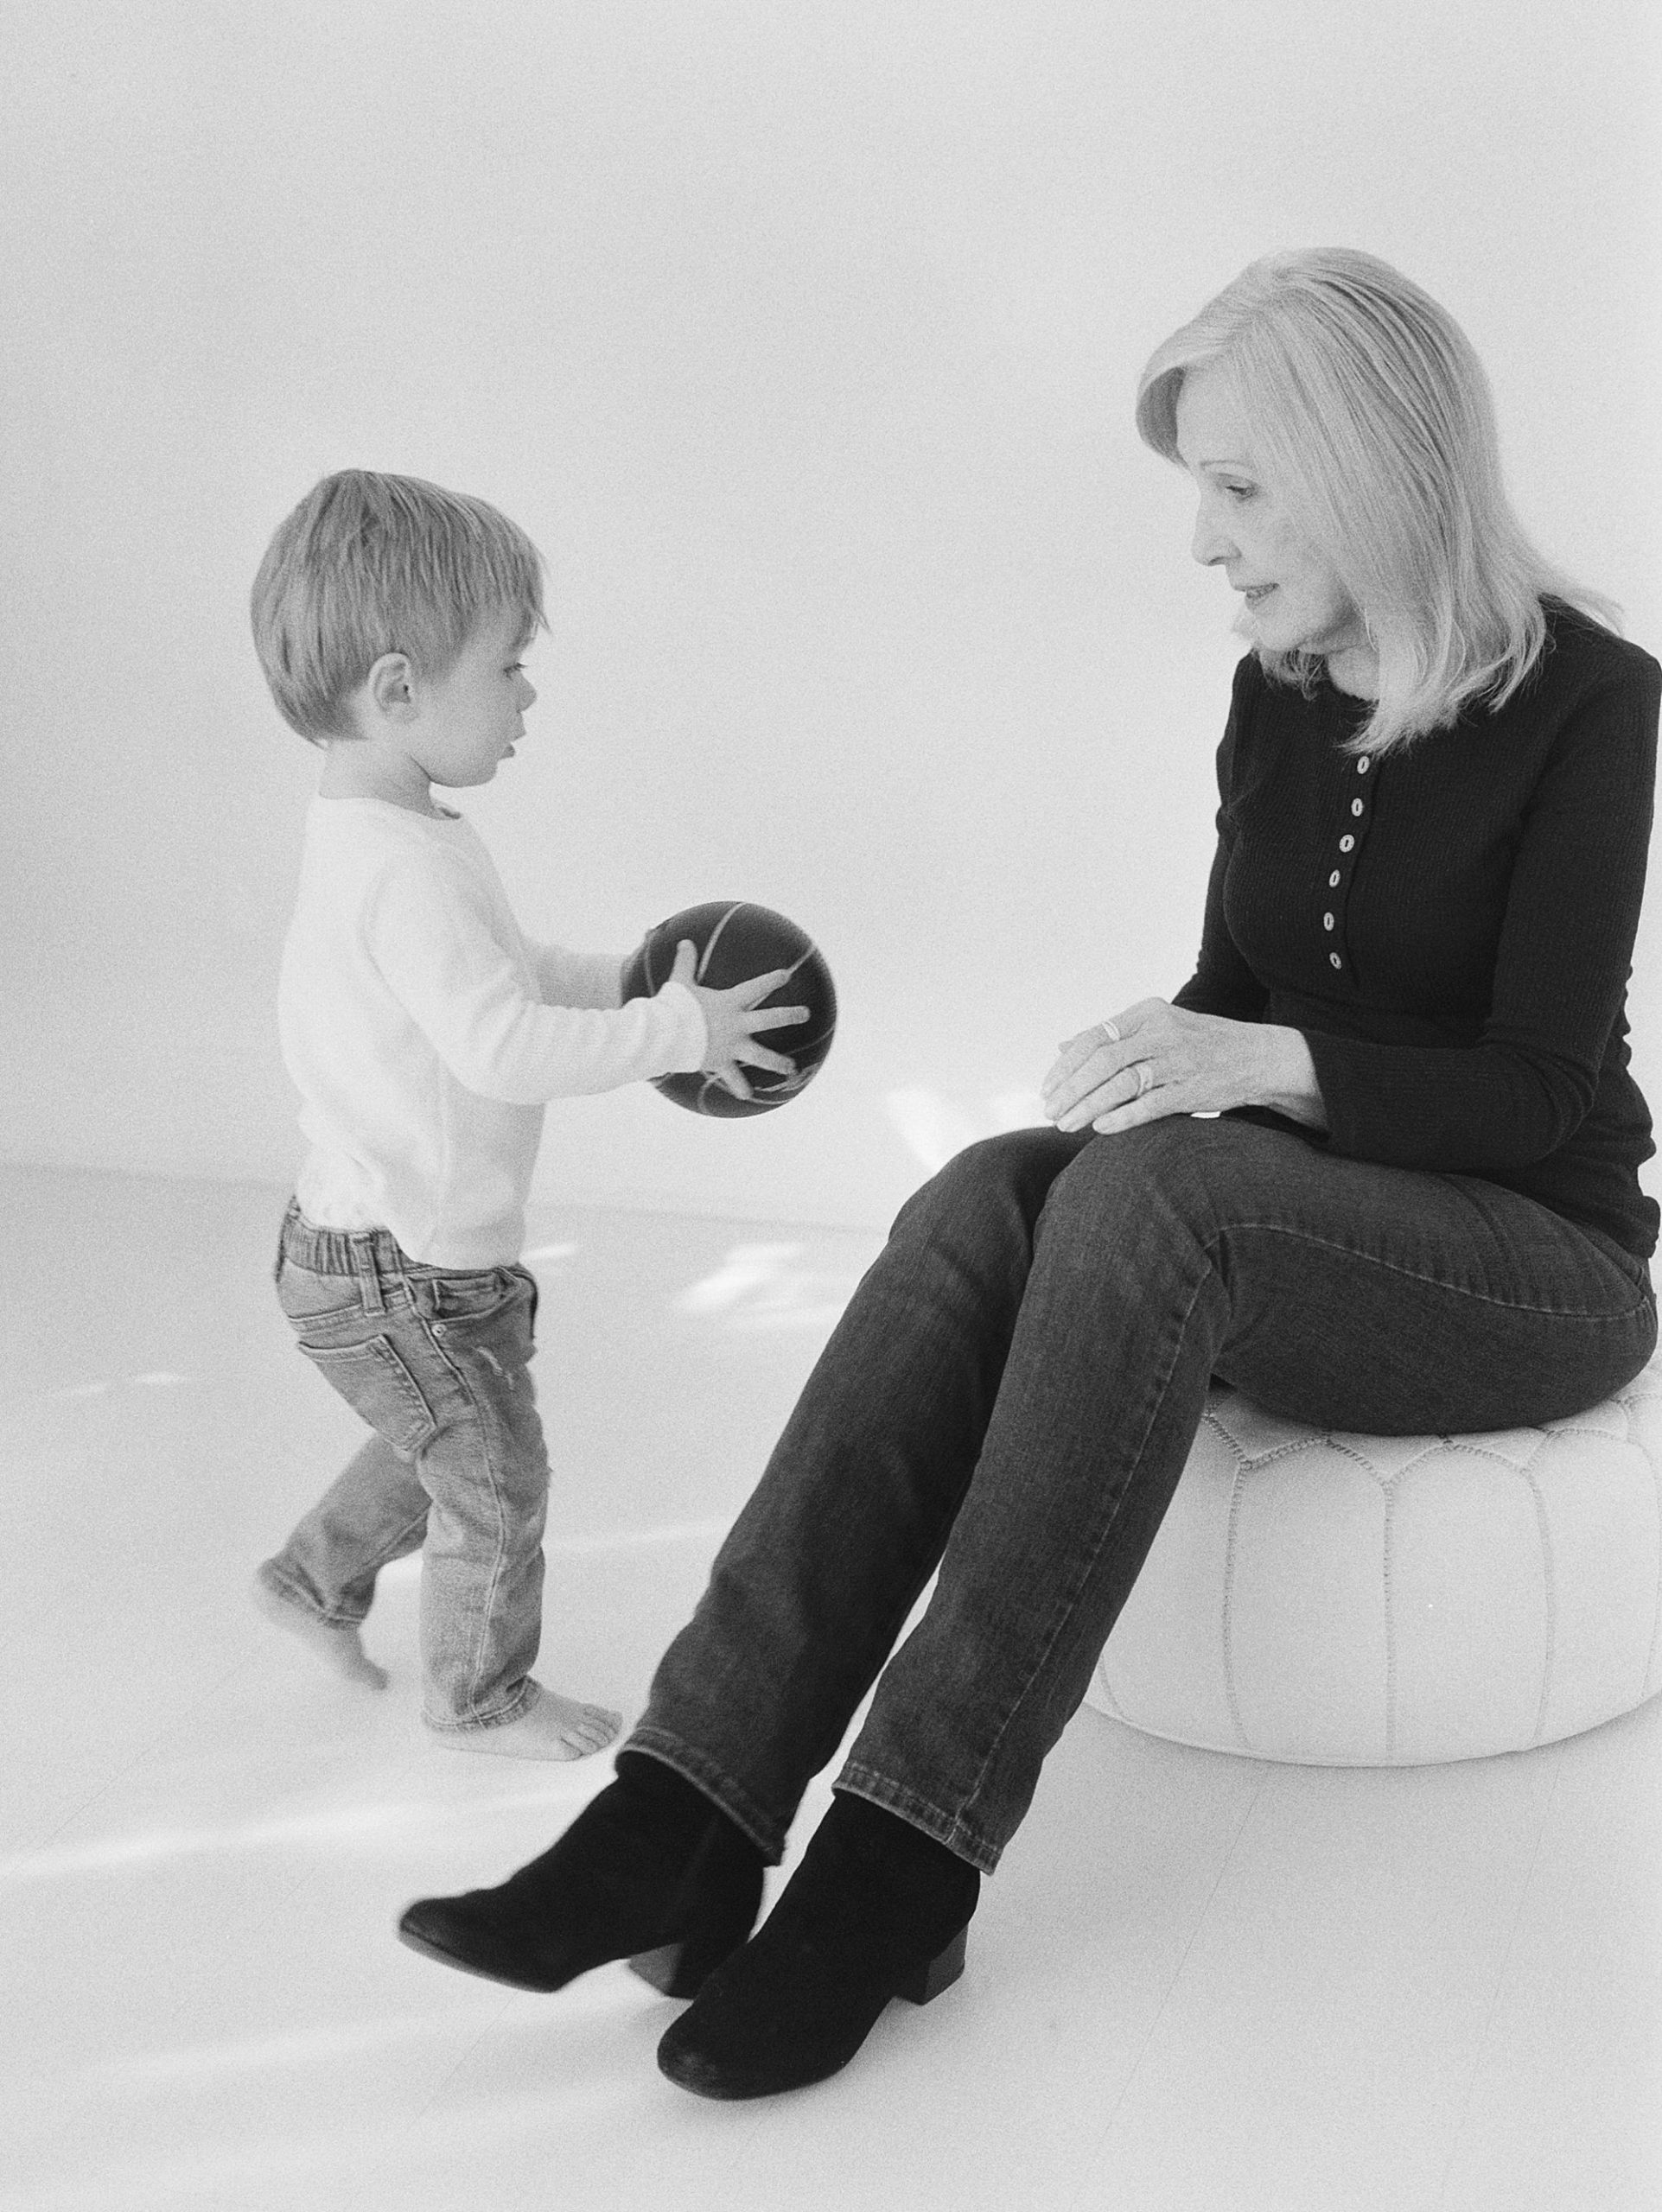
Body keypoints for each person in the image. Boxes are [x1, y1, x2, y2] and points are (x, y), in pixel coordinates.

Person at [397, 250, 1660, 2091]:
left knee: (1149, 1195)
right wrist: (1163, 1057)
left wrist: (1265, 1068)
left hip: (1531, 1266)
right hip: (1314, 1227)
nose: (1203, 539)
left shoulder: (1590, 701)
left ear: (1370, 459)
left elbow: (1552, 1090)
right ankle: (684, 1806)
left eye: (1236, 484)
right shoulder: (1275, 694)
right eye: (1195, 491)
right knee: (997, 1185)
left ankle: (898, 1857)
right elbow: (1235, 1006)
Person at [249, 470, 806, 1760]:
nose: (528, 694)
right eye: (507, 667)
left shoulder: (394, 835)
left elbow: (501, 979)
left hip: (385, 1245)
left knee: (443, 1437)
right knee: (497, 1478)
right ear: (398, 691)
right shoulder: (403, 872)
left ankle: (309, 1580)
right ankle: (479, 1695)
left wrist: (621, 982)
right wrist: (679, 1034)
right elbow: (497, 1045)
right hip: (401, 1266)